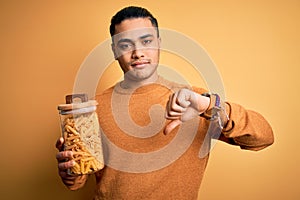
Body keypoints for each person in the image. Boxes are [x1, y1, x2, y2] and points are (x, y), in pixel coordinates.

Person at [56, 6, 274, 200]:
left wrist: (208, 106)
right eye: (125, 44)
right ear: (114, 50)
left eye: (146, 41)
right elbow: (79, 179)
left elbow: (263, 138)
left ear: (159, 43)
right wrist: (70, 173)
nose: (138, 53)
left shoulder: (195, 102)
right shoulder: (95, 109)